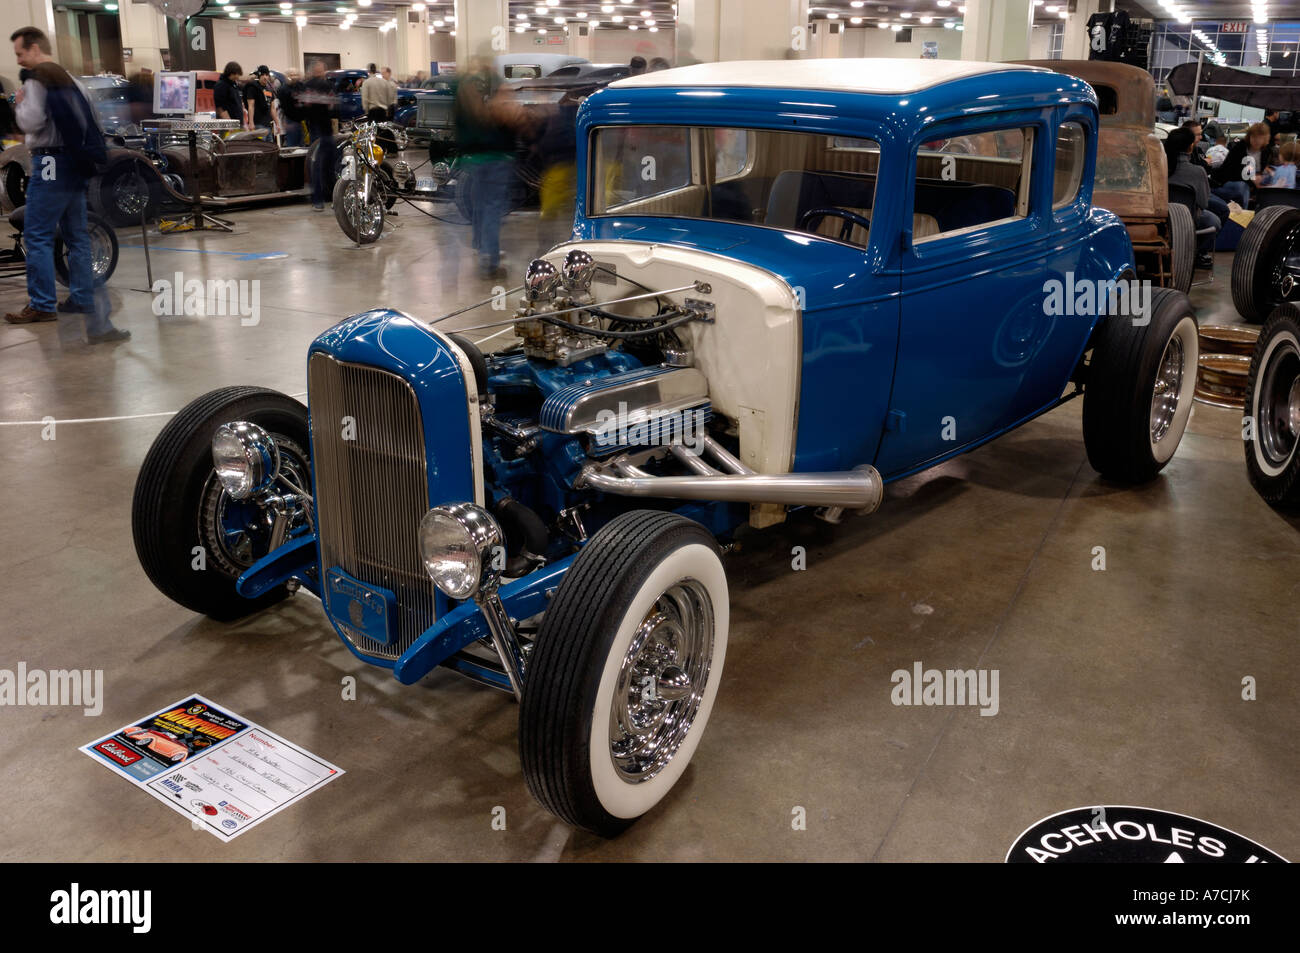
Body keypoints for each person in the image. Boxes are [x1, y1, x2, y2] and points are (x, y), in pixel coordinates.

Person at [4, 27, 127, 341]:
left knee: (38, 234)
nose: (19, 60)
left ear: (33, 49)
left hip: (48, 163)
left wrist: (18, 103)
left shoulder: (36, 80)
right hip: (75, 163)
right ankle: (83, 296)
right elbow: (93, 122)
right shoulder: (74, 80)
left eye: (19, 53)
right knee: (77, 235)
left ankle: (42, 303)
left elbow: (30, 122)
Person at [454, 56, 524, 279]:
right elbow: (511, 118)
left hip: (475, 159)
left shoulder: (465, 94)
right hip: (496, 157)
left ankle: (480, 247)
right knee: (493, 207)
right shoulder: (495, 96)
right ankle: (491, 261)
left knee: (481, 204)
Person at [1165, 127, 1220, 271]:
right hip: (1188, 220)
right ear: (1190, 147)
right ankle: (1194, 253)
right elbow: (1204, 202)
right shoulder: (1197, 171)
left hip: (1160, 218)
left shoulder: (1159, 167)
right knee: (1214, 221)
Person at [301, 60, 338, 210]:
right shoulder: (326, 86)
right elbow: (333, 106)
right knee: (328, 165)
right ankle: (331, 199)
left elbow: (305, 107)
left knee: (318, 164)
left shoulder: (307, 87)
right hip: (324, 129)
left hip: (318, 129)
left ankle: (319, 200)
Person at [1211, 122, 1270, 208]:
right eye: (1254, 137)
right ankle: (1243, 216)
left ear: (1265, 139)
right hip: (1228, 181)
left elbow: (1261, 171)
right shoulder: (1239, 148)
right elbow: (1231, 172)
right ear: (1249, 136)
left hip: (1252, 185)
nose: (1256, 141)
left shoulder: (1266, 152)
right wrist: (1252, 179)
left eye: (1260, 138)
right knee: (1242, 187)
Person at [243, 65, 277, 136]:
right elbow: (251, 106)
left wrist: (277, 123)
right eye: (263, 75)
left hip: (268, 124)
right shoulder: (252, 87)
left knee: (269, 146)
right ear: (259, 76)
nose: (265, 77)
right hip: (257, 124)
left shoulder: (269, 89)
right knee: (261, 145)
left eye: (266, 75)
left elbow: (272, 108)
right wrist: (251, 122)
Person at [276, 68, 305, 146]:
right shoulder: (283, 90)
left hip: (301, 121)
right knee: (292, 145)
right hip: (290, 121)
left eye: (295, 75)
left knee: (302, 144)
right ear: (287, 76)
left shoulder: (301, 86)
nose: (294, 77)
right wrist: (283, 123)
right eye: (291, 75)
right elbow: (281, 108)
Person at [213, 61, 246, 128]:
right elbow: (220, 107)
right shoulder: (221, 85)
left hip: (237, 123)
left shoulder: (233, 84)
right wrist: (229, 123)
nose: (238, 77)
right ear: (231, 73)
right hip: (228, 125)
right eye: (237, 74)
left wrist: (243, 123)